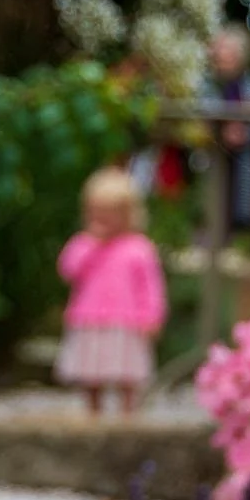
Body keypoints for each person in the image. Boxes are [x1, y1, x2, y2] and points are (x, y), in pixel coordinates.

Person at [56, 167, 167, 416]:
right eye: (97, 212)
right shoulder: (83, 243)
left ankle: (128, 413)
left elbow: (151, 287)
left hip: (125, 322)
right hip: (89, 319)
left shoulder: (139, 248)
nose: (102, 219)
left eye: (110, 214)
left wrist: (152, 316)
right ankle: (93, 412)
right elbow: (68, 270)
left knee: (127, 372)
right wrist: (91, 244)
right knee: (91, 373)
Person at [207, 24, 250, 233]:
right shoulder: (206, 84)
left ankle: (242, 233)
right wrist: (221, 132)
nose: (224, 57)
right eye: (221, 52)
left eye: (230, 53)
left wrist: (244, 133)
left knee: (245, 188)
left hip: (245, 151)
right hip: (209, 152)